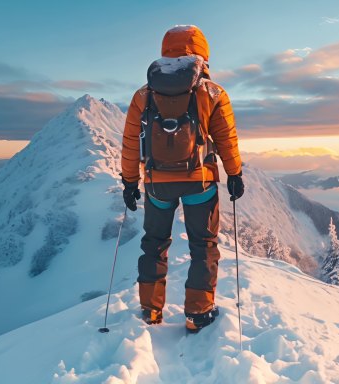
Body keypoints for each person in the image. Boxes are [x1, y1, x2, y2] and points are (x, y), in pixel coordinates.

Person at [120, 25, 244, 332]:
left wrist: (129, 182)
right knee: (203, 245)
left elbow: (131, 141)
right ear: (203, 54)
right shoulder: (213, 93)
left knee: (154, 243)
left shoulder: (142, 94)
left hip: (156, 184)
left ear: (165, 52)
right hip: (198, 182)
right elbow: (226, 138)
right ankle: (197, 314)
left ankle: (150, 310)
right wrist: (234, 173)